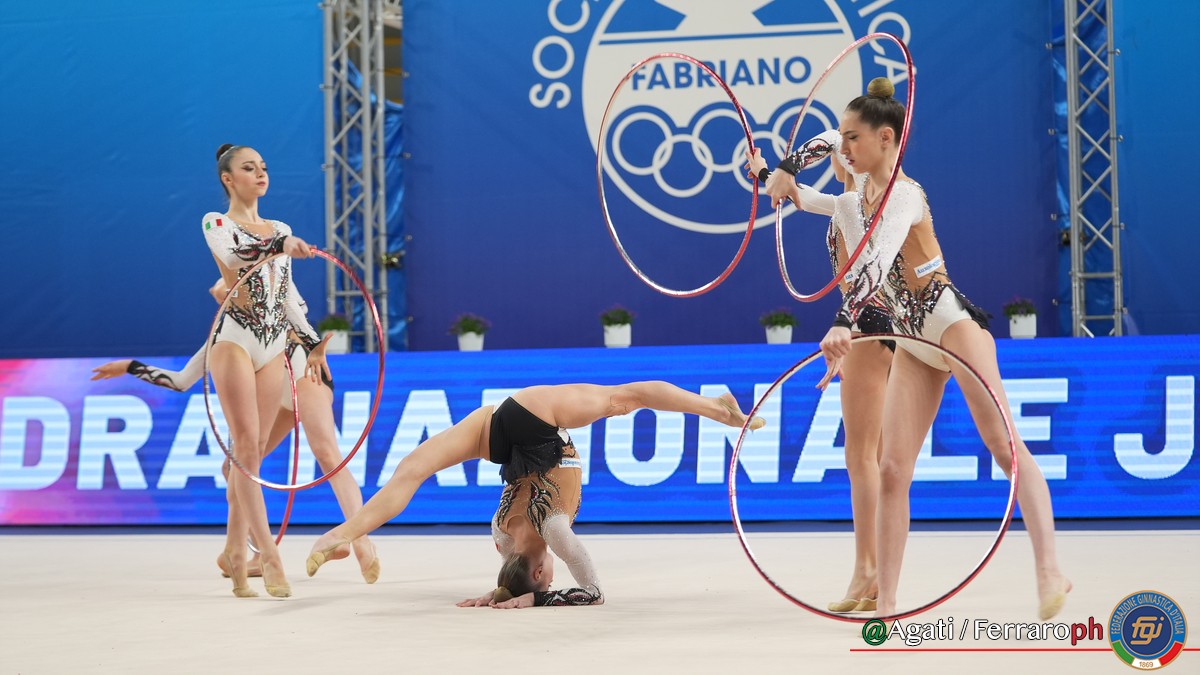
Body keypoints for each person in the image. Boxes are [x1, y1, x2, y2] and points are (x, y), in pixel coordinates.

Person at [762, 78, 1070, 620]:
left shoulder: (906, 195)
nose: (842, 146)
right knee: (892, 469)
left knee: (1004, 447)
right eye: (843, 138)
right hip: (912, 341)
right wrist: (781, 170)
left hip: (951, 326)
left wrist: (842, 320)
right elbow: (817, 169)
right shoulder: (854, 198)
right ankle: (887, 603)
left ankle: (1049, 569)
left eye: (853, 138)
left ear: (885, 139)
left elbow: (877, 259)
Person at [305, 382, 765, 607]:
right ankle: (340, 535)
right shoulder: (501, 535)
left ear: (543, 570)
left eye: (546, 580)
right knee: (412, 470)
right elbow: (537, 574)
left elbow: (590, 592)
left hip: (537, 427)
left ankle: (716, 410)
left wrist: (525, 596)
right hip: (500, 433)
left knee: (631, 396)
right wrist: (505, 592)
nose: (551, 578)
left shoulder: (554, 533)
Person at [89, 281, 381, 585]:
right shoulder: (226, 336)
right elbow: (180, 381)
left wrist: (310, 340)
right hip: (279, 392)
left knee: (327, 453)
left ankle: (360, 540)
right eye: (221, 292)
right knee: (234, 467)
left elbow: (293, 305)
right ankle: (255, 552)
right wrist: (131, 367)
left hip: (304, 373)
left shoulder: (273, 290)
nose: (223, 292)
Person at [747, 130, 893, 613]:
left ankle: (867, 569)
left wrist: (786, 167)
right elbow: (801, 196)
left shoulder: (853, 201)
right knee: (878, 457)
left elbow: (825, 142)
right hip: (892, 325)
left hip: (866, 322)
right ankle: (878, 574)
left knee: (861, 457)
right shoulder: (862, 201)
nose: (839, 154)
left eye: (847, 148)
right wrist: (766, 174)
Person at [197, 143, 318, 598]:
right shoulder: (217, 222)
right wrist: (280, 245)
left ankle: (233, 550)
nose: (260, 173)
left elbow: (285, 295)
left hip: (272, 345)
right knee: (245, 447)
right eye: (249, 168)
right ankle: (268, 554)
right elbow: (235, 258)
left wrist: (312, 343)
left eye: (263, 167)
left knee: (250, 459)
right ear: (228, 178)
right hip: (234, 339)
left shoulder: (280, 227)